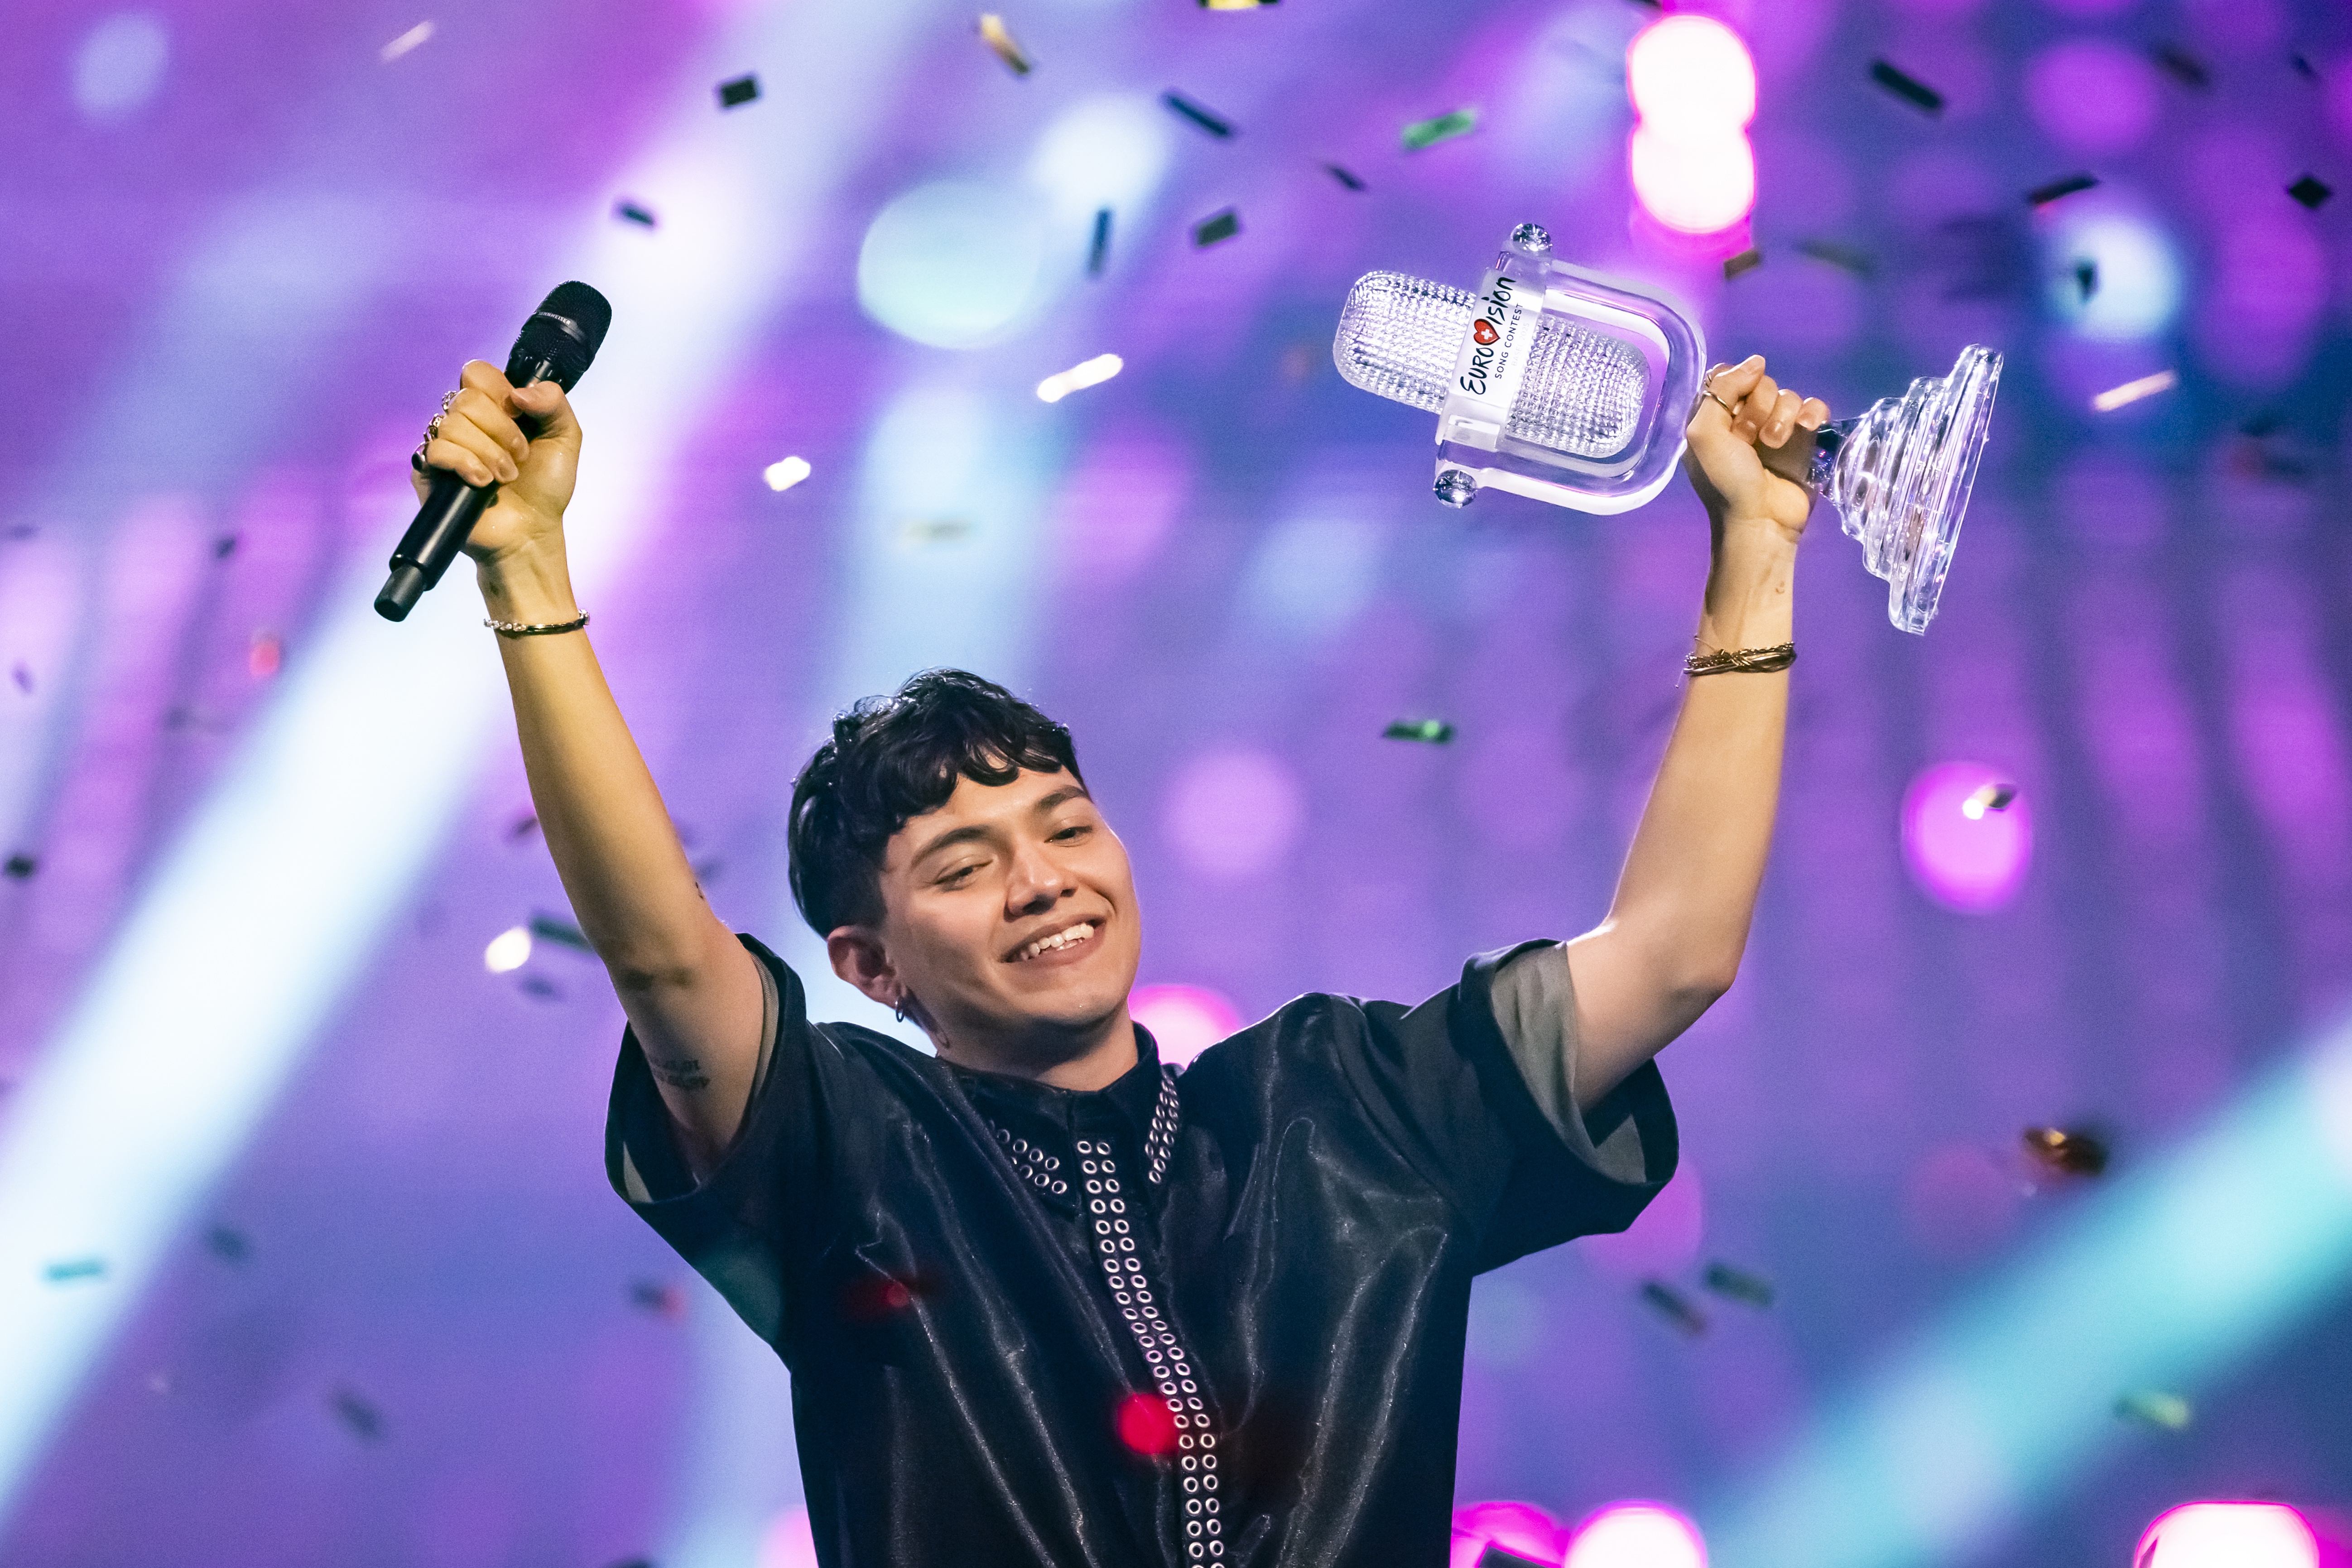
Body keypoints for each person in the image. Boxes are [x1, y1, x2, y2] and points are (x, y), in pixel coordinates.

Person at [413, 351, 1828, 1568]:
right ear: (869, 965)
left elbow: (1672, 957)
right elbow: (668, 967)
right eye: (961, 868)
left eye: (1065, 827)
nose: (1042, 882)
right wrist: (526, 570)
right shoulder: (847, 1144)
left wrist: (1755, 554)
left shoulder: (1349, 1098)